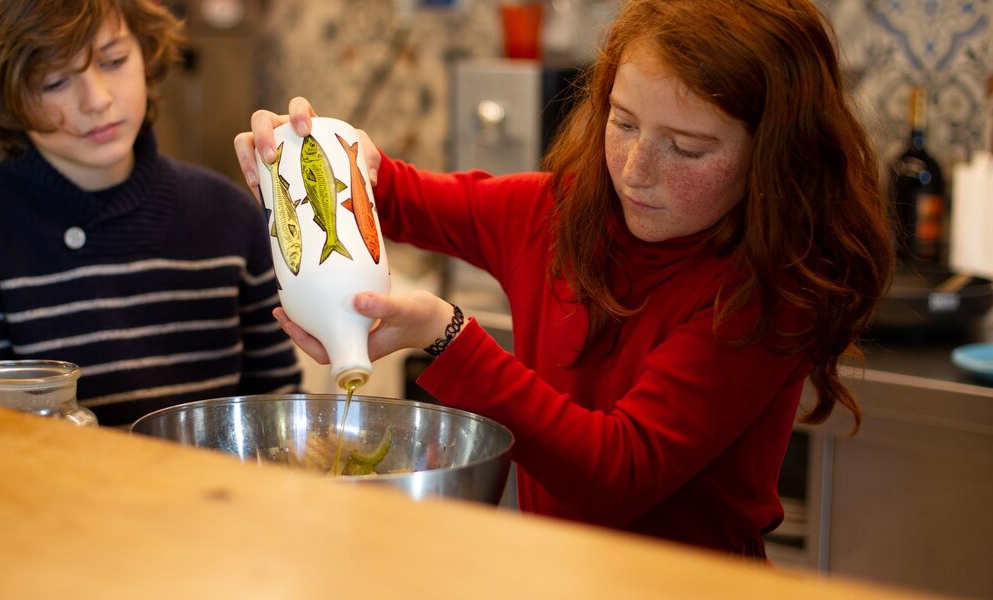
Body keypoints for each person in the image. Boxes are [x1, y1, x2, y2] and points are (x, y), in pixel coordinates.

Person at [235, 0, 892, 557]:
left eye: (686, 148)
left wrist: (448, 337)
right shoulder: (554, 216)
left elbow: (618, 472)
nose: (636, 168)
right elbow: (396, 196)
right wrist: (308, 163)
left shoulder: (765, 296)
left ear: (772, 155)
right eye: (624, 123)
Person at [0, 0, 301, 426]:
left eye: (115, 60)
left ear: (144, 49)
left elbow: (278, 419)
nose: (97, 100)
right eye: (55, 82)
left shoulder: (228, 215)